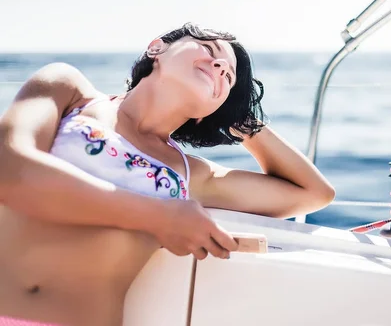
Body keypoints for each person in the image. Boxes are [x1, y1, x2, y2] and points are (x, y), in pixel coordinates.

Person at [0, 23, 335, 326]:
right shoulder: (69, 90)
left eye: (228, 79)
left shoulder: (192, 175)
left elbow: (313, 193)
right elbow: (9, 169)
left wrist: (240, 118)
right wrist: (158, 215)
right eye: (209, 49)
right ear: (157, 47)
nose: (219, 67)